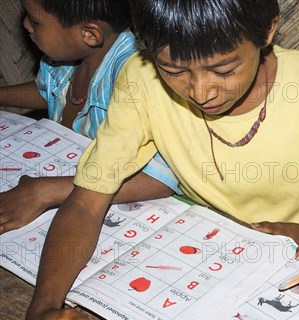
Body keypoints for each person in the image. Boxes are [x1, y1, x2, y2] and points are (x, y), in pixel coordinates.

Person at [24, 0, 299, 320]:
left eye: (224, 69)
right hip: (205, 262)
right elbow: (87, 202)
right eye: (173, 69)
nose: (201, 91)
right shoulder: (142, 81)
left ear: (268, 32)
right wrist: (41, 312)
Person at [0, 0, 178, 234]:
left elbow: (161, 178)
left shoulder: (135, 78)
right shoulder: (64, 59)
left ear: (90, 34)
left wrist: (44, 191)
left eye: (34, 20)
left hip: (127, 209)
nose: (26, 25)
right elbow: (52, 93)